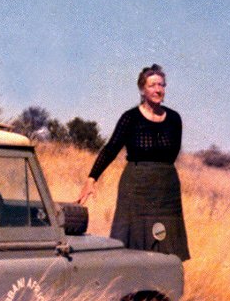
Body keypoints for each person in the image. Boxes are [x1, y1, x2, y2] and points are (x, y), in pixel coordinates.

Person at [78, 64, 190, 260]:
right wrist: (91, 178)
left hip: (166, 190)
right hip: (136, 187)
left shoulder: (174, 119)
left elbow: (172, 155)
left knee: (166, 245)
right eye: (153, 85)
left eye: (162, 85)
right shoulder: (130, 118)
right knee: (133, 246)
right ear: (142, 89)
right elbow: (110, 148)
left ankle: (161, 289)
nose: (158, 90)